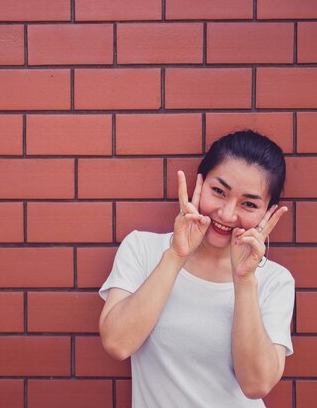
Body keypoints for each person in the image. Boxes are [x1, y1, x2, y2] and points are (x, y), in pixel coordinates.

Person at [98, 130, 295, 408]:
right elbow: (117, 343)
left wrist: (244, 279)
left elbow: (256, 385)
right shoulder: (143, 249)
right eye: (219, 191)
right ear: (199, 184)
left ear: (267, 213)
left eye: (248, 204)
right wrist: (177, 255)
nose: (227, 214)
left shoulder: (275, 280)